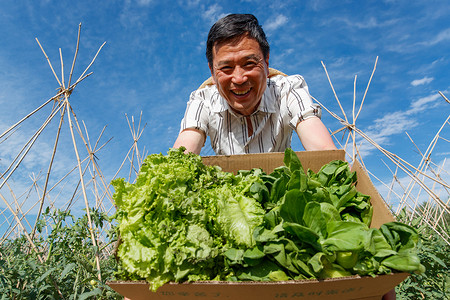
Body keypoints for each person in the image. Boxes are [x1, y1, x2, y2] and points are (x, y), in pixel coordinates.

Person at [173, 13, 337, 155]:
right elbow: (186, 147)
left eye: (249, 64)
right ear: (212, 71)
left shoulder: (288, 89)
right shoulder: (202, 100)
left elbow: (321, 147)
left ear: (266, 62)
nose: (239, 79)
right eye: (226, 68)